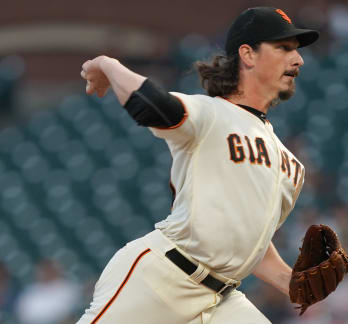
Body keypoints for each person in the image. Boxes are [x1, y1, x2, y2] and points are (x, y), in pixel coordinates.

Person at [77, 7, 319, 324]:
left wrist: (290, 282)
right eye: (283, 48)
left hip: (222, 299)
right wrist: (107, 65)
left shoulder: (292, 166)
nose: (298, 59)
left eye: (296, 51)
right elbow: (153, 106)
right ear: (248, 54)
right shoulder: (210, 113)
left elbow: (250, 239)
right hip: (163, 278)